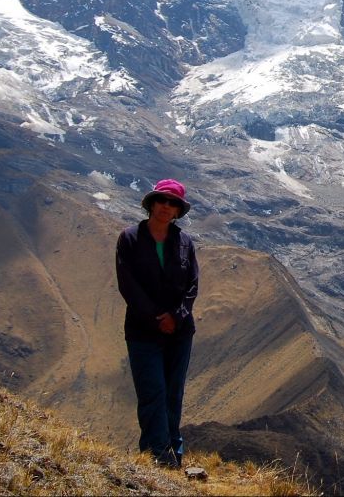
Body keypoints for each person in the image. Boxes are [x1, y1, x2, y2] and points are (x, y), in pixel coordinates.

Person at [115, 178, 199, 468]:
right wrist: (155, 317)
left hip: (180, 331)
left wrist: (176, 316)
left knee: (173, 393)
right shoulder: (129, 238)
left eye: (173, 203)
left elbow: (192, 285)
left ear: (178, 211)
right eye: (162, 200)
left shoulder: (185, 243)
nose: (166, 206)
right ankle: (155, 455)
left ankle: (173, 453)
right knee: (152, 391)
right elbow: (128, 284)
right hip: (142, 331)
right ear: (151, 203)